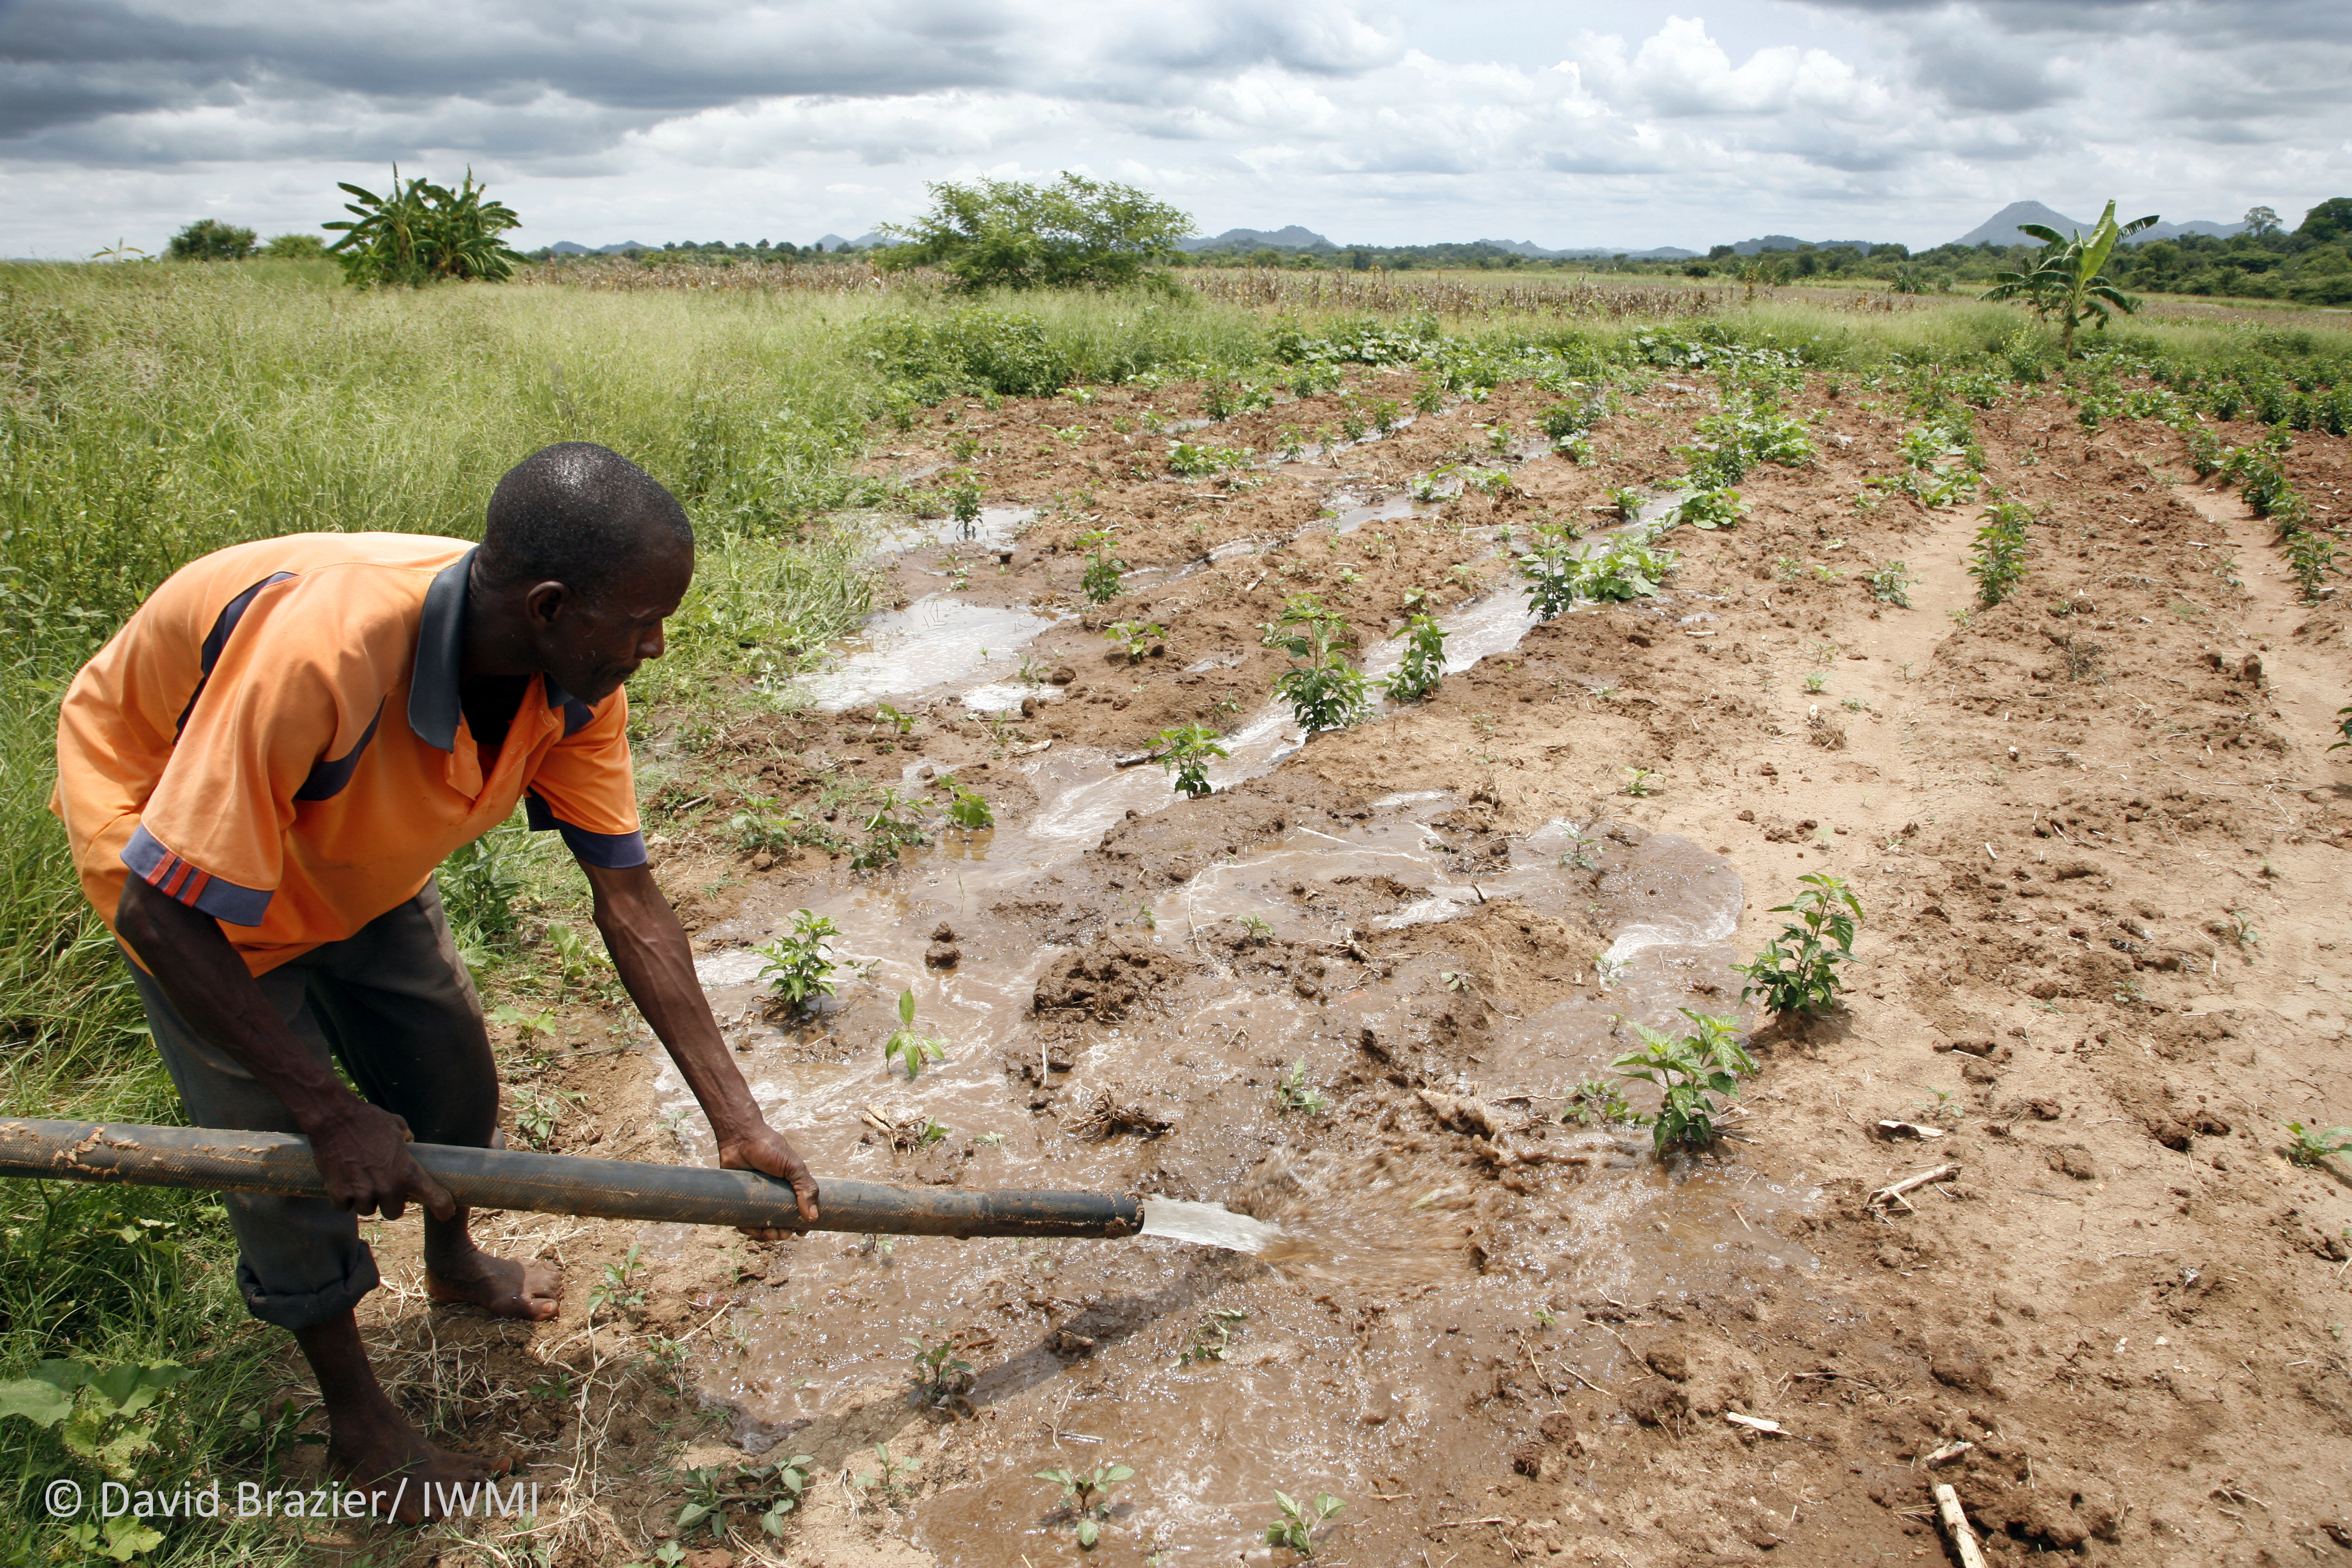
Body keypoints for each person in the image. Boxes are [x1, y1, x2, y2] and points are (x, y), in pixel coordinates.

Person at [50, 443, 818, 1516]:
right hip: (183, 867)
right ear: (548, 605)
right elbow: (159, 908)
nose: (655, 645)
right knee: (286, 1154)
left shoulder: (575, 684)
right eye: (643, 622)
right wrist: (326, 1109)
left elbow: (630, 902)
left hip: (352, 846)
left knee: (447, 1068)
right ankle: (362, 1428)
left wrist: (737, 1120)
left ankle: (455, 1259)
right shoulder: (323, 654)